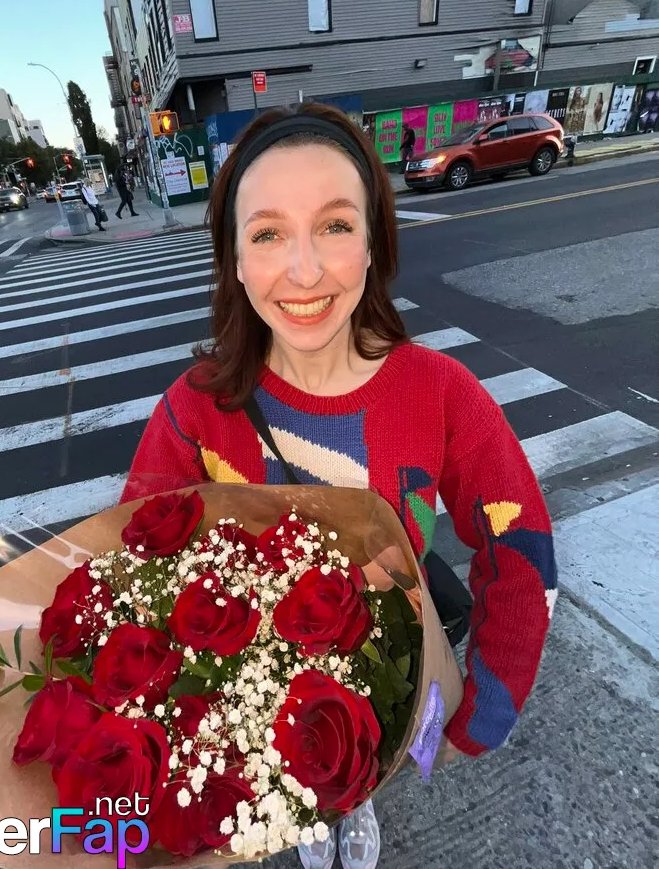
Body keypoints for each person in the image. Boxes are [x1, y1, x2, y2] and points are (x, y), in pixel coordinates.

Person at [120, 103, 556, 869]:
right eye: (267, 234)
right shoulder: (194, 410)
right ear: (233, 258)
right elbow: (135, 566)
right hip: (254, 702)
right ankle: (312, 818)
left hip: (387, 685)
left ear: (374, 241)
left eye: (334, 225)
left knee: (354, 769)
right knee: (299, 790)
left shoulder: (441, 394)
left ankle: (355, 804)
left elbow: (521, 549)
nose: (304, 270)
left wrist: (486, 708)